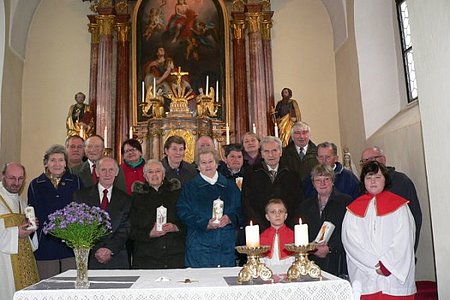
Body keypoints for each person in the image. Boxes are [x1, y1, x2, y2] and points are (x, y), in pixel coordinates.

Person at [342, 161, 416, 299]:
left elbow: (404, 239)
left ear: (385, 180)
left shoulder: (400, 206)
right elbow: (350, 241)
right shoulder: (352, 210)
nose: (373, 181)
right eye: (368, 177)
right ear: (363, 181)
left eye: (377, 177)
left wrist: (387, 265)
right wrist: (373, 264)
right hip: (366, 276)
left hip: (393, 277)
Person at [177, 148, 242, 268]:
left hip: (225, 246)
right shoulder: (190, 188)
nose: (208, 166)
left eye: (210, 162)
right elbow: (183, 212)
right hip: (199, 246)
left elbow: (241, 211)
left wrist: (229, 218)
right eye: (203, 163)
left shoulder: (230, 186)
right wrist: (205, 224)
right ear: (198, 167)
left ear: (217, 164)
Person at [27, 145, 82, 279]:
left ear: (65, 163)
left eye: (61, 160)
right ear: (46, 163)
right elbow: (31, 211)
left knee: (71, 285)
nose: (57, 164)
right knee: (47, 285)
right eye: (53, 160)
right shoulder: (36, 184)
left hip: (71, 243)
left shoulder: (76, 182)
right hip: (45, 244)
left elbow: (81, 209)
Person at [360, 146, 422, 252]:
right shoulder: (362, 186)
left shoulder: (402, 182)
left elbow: (414, 217)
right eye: (365, 161)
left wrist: (409, 251)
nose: (369, 163)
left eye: (372, 159)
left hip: (397, 249)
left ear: (383, 159)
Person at [73, 157, 131, 269]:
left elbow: (125, 228)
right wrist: (97, 249)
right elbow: (80, 226)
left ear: (116, 173)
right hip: (90, 256)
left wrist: (110, 249)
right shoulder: (81, 196)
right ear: (97, 172)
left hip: (117, 257)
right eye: (103, 170)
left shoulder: (126, 199)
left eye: (111, 170)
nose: (107, 174)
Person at [129, 160, 185, 269]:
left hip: (174, 256)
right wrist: (149, 233)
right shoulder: (136, 198)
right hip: (147, 258)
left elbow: (187, 221)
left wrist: (175, 227)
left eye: (158, 171)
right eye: (150, 172)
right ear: (145, 176)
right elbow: (130, 229)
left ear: (163, 175)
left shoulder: (178, 194)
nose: (154, 175)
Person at [298, 164, 351, 276]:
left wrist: (330, 248)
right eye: (318, 180)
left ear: (332, 181)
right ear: (313, 184)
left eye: (326, 179)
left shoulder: (345, 202)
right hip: (312, 260)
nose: (322, 183)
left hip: (338, 259)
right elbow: (302, 232)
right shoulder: (305, 205)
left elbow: (349, 232)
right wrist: (312, 247)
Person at [242, 136, 304, 231]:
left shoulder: (292, 174)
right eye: (266, 151)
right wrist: (261, 226)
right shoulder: (251, 173)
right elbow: (247, 203)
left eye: (274, 150)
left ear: (281, 152)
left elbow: (298, 203)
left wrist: (287, 225)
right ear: (261, 154)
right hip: (259, 228)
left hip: (287, 227)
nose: (271, 155)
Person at [0, 163, 39, 299]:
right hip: (4, 262)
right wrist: (16, 233)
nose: (16, 183)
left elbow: (24, 230)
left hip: (24, 258)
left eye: (20, 179)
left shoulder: (20, 201)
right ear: (2, 176)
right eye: (12, 178)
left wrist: (30, 228)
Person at [260, 199, 295, 266]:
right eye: (273, 212)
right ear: (267, 217)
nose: (277, 215)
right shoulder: (262, 237)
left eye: (281, 211)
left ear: (285, 216)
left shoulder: (294, 236)